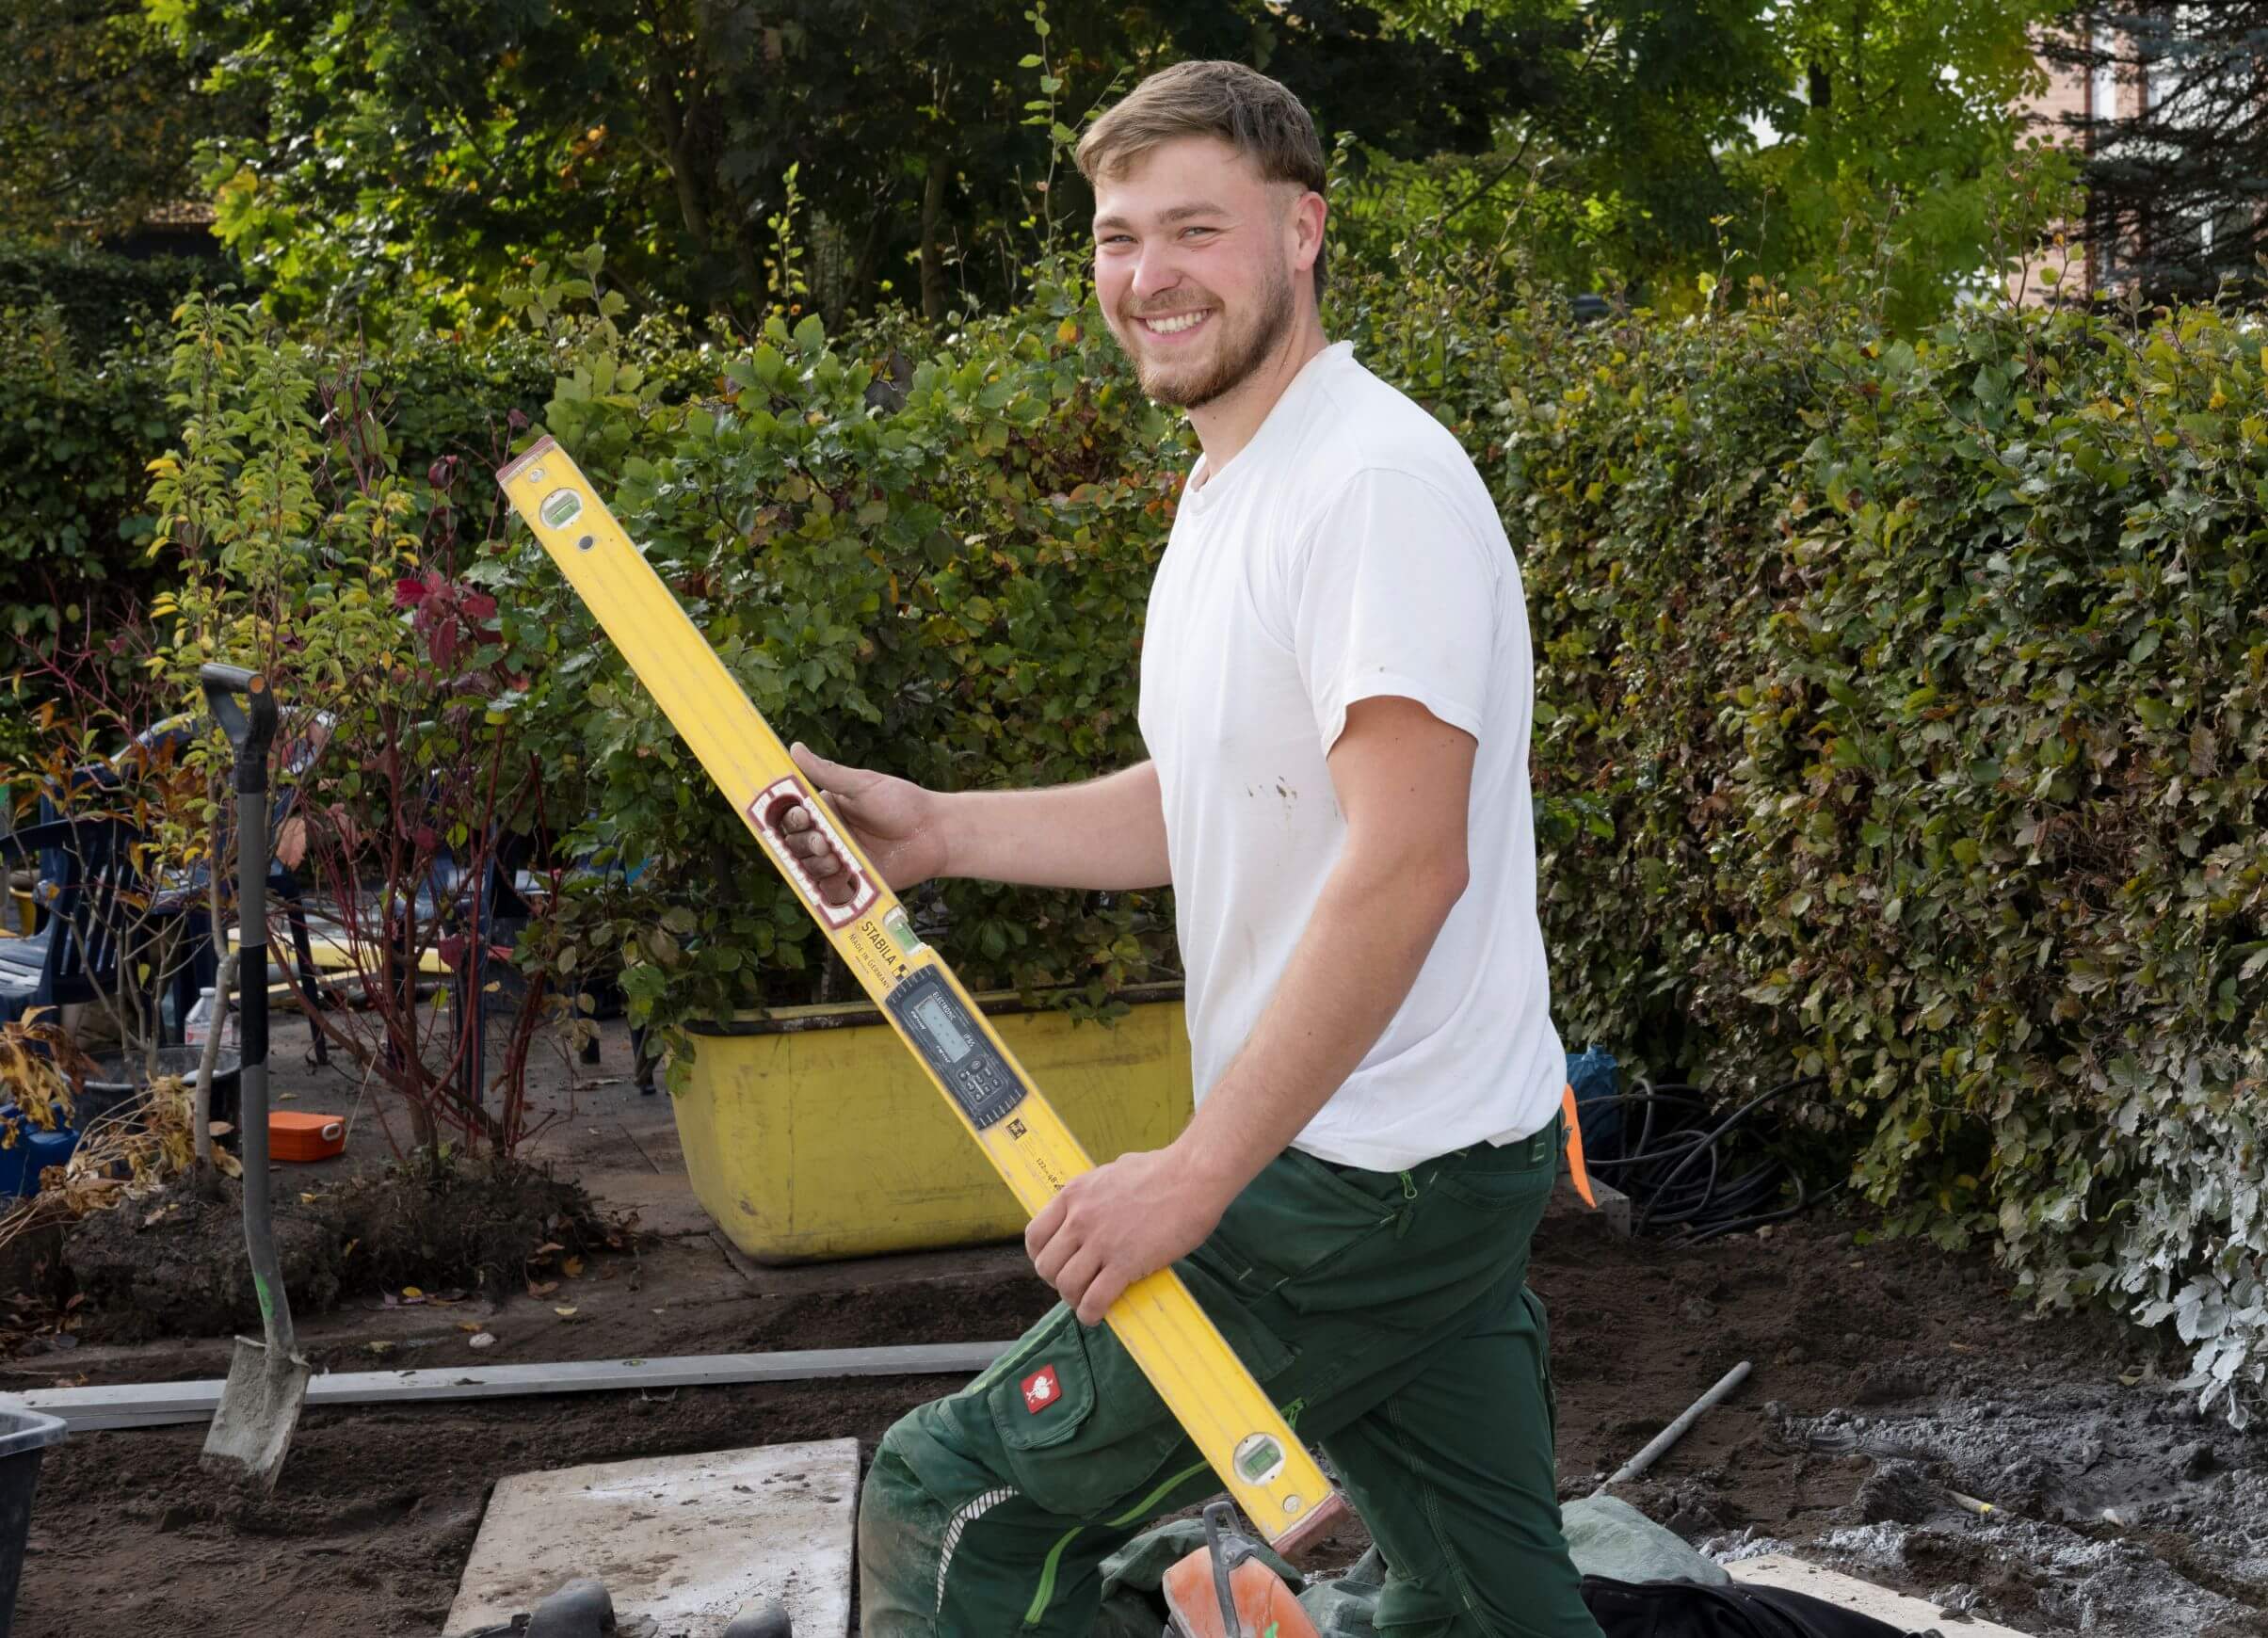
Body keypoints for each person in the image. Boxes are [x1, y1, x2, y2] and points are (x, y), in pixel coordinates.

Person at [782, 58, 1603, 1638]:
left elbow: (1404, 862)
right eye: (1114, 237)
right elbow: (1218, 797)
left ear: (1300, 233)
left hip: (1363, 1176)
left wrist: (1198, 1176)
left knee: (949, 1503)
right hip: (1422, 1160)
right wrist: (939, 828)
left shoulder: (1366, 485)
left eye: (1194, 232)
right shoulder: (1237, 485)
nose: (1147, 277)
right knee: (1479, 1611)